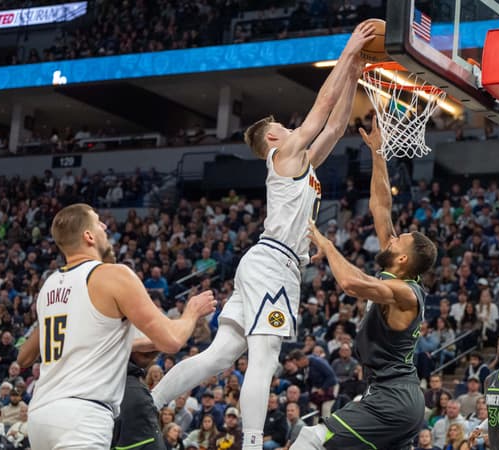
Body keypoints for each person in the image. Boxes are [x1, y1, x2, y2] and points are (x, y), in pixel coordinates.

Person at [150, 23, 376, 450]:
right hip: (274, 264)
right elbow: (319, 109)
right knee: (265, 355)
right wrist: (346, 52)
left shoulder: (300, 161)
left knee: (219, 356)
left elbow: (334, 125)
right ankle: (252, 444)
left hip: (268, 263)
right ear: (273, 138)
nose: (294, 129)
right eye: (285, 128)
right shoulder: (281, 154)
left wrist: (354, 73)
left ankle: (151, 400)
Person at [293, 116, 437, 450]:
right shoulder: (396, 269)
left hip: (393, 398)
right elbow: (381, 205)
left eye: (400, 239)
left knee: (312, 437)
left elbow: (351, 284)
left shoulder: (405, 292)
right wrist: (378, 153)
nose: (394, 236)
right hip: (392, 396)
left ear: (403, 260)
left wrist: (326, 244)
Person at [24, 204, 217, 449]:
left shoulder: (49, 285)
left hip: (41, 413)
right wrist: (192, 312)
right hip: (82, 414)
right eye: (98, 222)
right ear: (89, 236)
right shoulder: (113, 275)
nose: (105, 226)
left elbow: (26, 356)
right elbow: (171, 340)